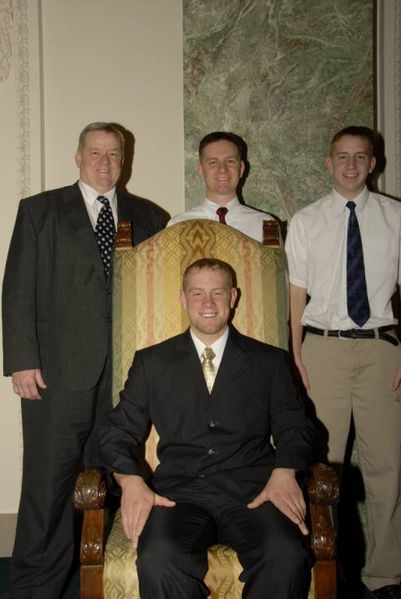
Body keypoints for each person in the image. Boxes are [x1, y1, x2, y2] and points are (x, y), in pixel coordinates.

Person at [2, 121, 166, 598]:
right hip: (56, 376)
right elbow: (17, 290)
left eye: (113, 154)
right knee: (49, 487)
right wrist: (21, 361)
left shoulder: (150, 217)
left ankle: (112, 580)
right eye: (95, 152)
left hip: (128, 379)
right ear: (78, 157)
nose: (104, 162)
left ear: (124, 160)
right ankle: (36, 588)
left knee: (118, 480)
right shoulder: (40, 211)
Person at [99, 257, 315, 599]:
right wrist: (130, 481)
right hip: (179, 494)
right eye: (197, 293)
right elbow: (117, 432)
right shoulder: (151, 362)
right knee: (158, 559)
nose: (208, 303)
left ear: (233, 297)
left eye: (217, 292)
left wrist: (285, 472)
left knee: (286, 556)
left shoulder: (269, 361)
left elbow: (296, 426)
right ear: (184, 299)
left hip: (254, 491)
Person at [285, 126, 401, 599]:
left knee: (387, 465)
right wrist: (296, 355)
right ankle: (323, 568)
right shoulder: (306, 221)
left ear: (373, 163)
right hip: (323, 348)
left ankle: (386, 575)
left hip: (381, 350)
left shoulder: (396, 217)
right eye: (342, 156)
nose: (351, 165)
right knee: (322, 467)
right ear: (328, 163)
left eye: (360, 156)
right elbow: (296, 295)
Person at [168, 131, 276, 242]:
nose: (222, 169)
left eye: (230, 161)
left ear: (241, 169)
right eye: (213, 162)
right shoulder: (177, 226)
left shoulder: (266, 225)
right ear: (201, 170)